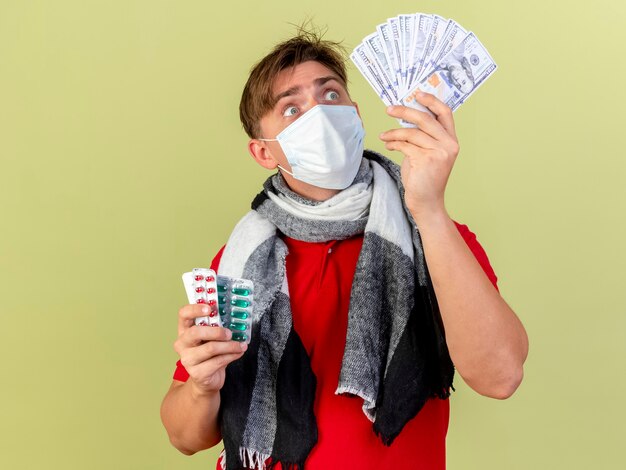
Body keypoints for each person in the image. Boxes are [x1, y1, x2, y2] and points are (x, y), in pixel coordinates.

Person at [160, 28, 528, 470]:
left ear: (355, 113)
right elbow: (185, 437)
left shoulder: (435, 236)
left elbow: (501, 376)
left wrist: (428, 209)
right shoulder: (239, 260)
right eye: (292, 108)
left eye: (330, 94)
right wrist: (202, 385)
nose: (319, 113)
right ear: (262, 152)